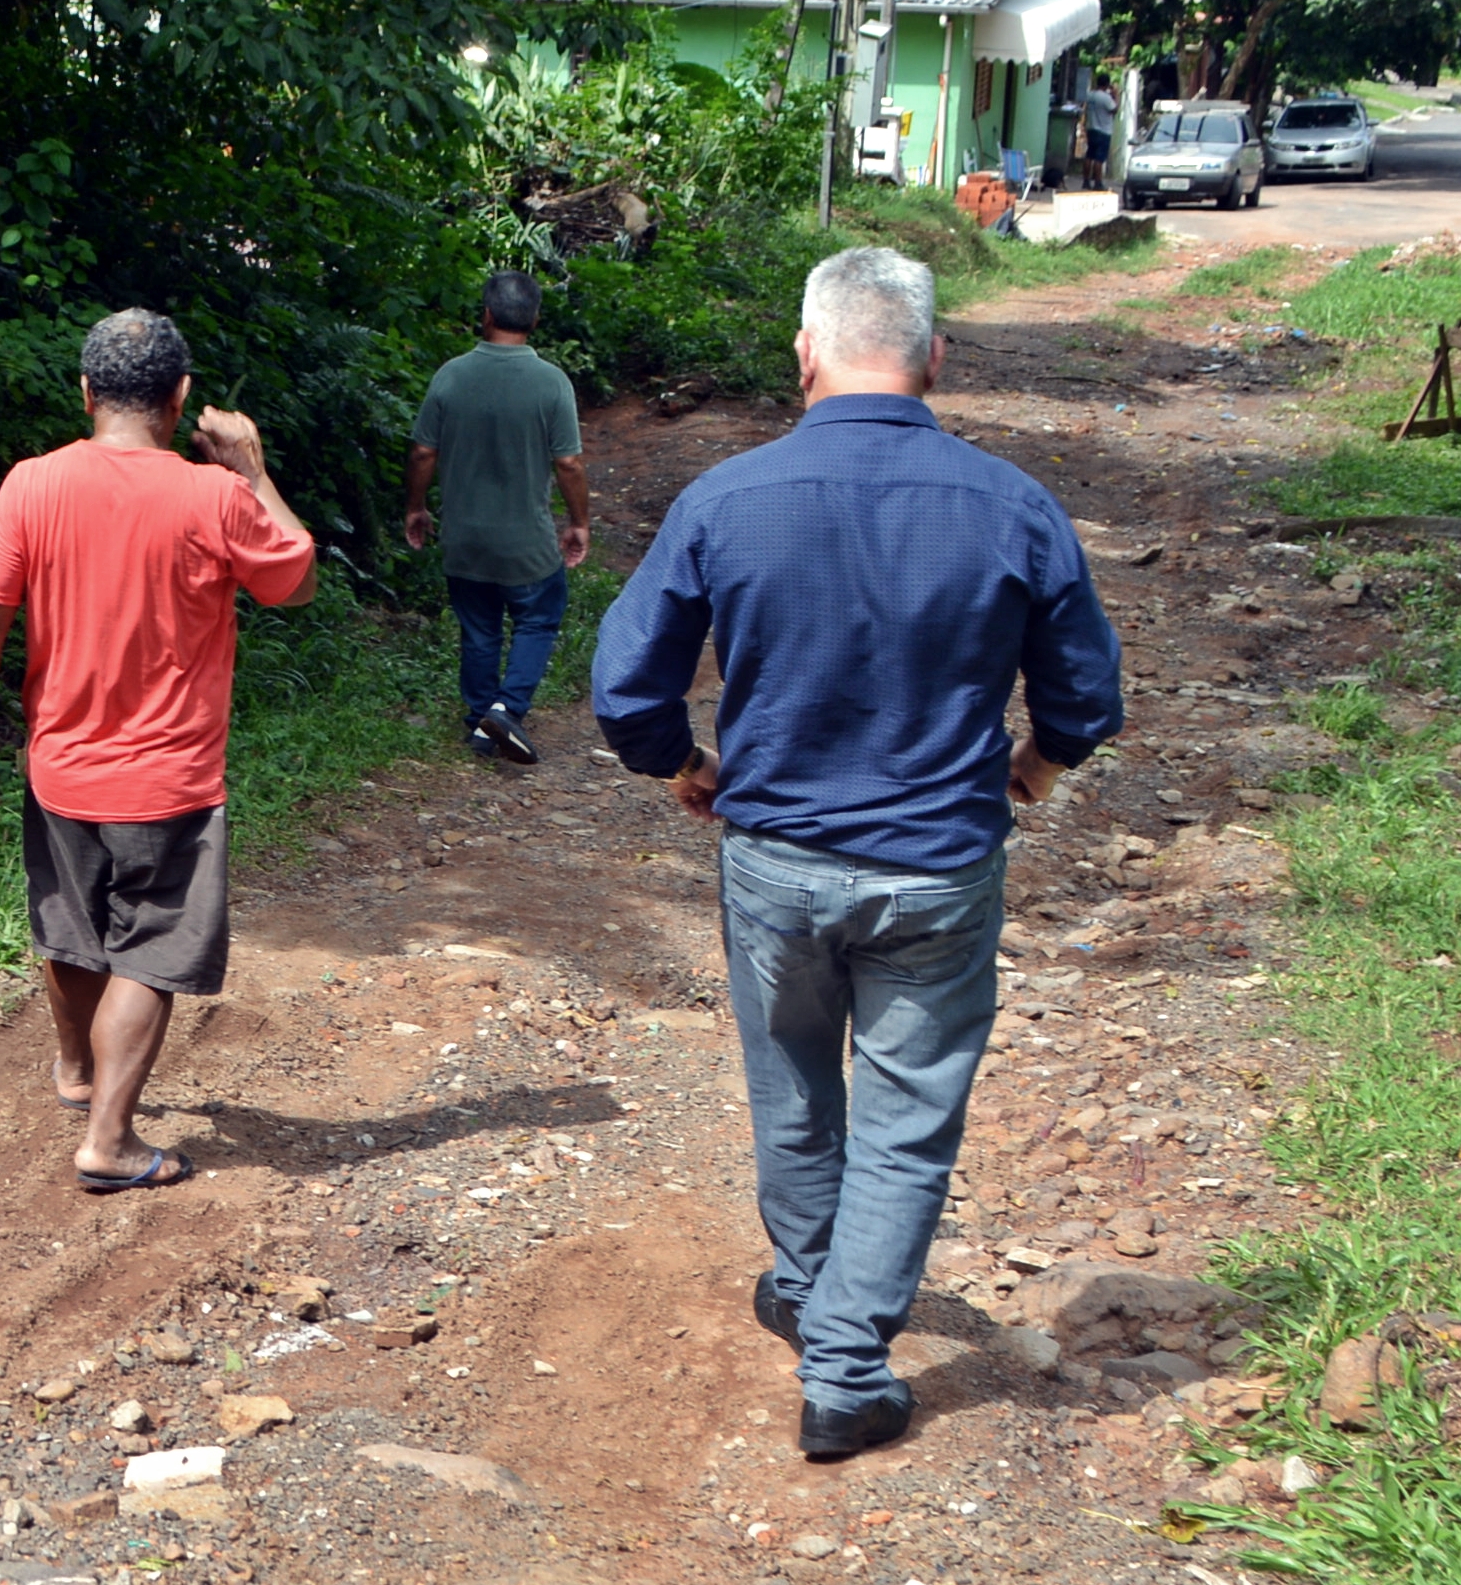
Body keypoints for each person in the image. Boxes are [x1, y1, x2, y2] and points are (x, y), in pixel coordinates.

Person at [590, 247, 1123, 1460]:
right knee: (903, 1113)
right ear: (935, 359)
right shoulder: (1011, 503)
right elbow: (1084, 691)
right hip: (938, 865)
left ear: (803, 353)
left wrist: (677, 760)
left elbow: (627, 682)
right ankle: (842, 1358)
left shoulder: (727, 498)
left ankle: (808, 1291)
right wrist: (1032, 769)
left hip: (775, 857)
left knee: (791, 1084)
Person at [0, 309, 318, 1192]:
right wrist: (252, 471)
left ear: (86, 392)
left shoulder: (31, 483)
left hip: (60, 765)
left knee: (71, 927)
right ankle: (108, 1142)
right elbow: (293, 579)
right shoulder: (213, 496)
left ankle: (75, 1072)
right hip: (169, 777)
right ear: (179, 400)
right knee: (149, 949)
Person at [403, 269, 590, 765]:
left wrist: (416, 507)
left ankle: (481, 723)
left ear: (485, 315)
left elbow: (423, 452)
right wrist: (579, 522)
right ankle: (507, 708)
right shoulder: (552, 382)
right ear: (535, 319)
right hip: (524, 543)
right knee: (540, 615)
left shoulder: (451, 375)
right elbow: (568, 463)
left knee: (479, 628)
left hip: (464, 541)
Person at [1083, 73, 1118, 180]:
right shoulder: (1106, 98)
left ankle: (1086, 180)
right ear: (1107, 84)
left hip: (1091, 128)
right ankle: (1098, 181)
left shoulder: (1090, 95)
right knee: (1099, 159)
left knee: (1089, 155)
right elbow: (1114, 110)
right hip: (1103, 131)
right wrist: (1116, 96)